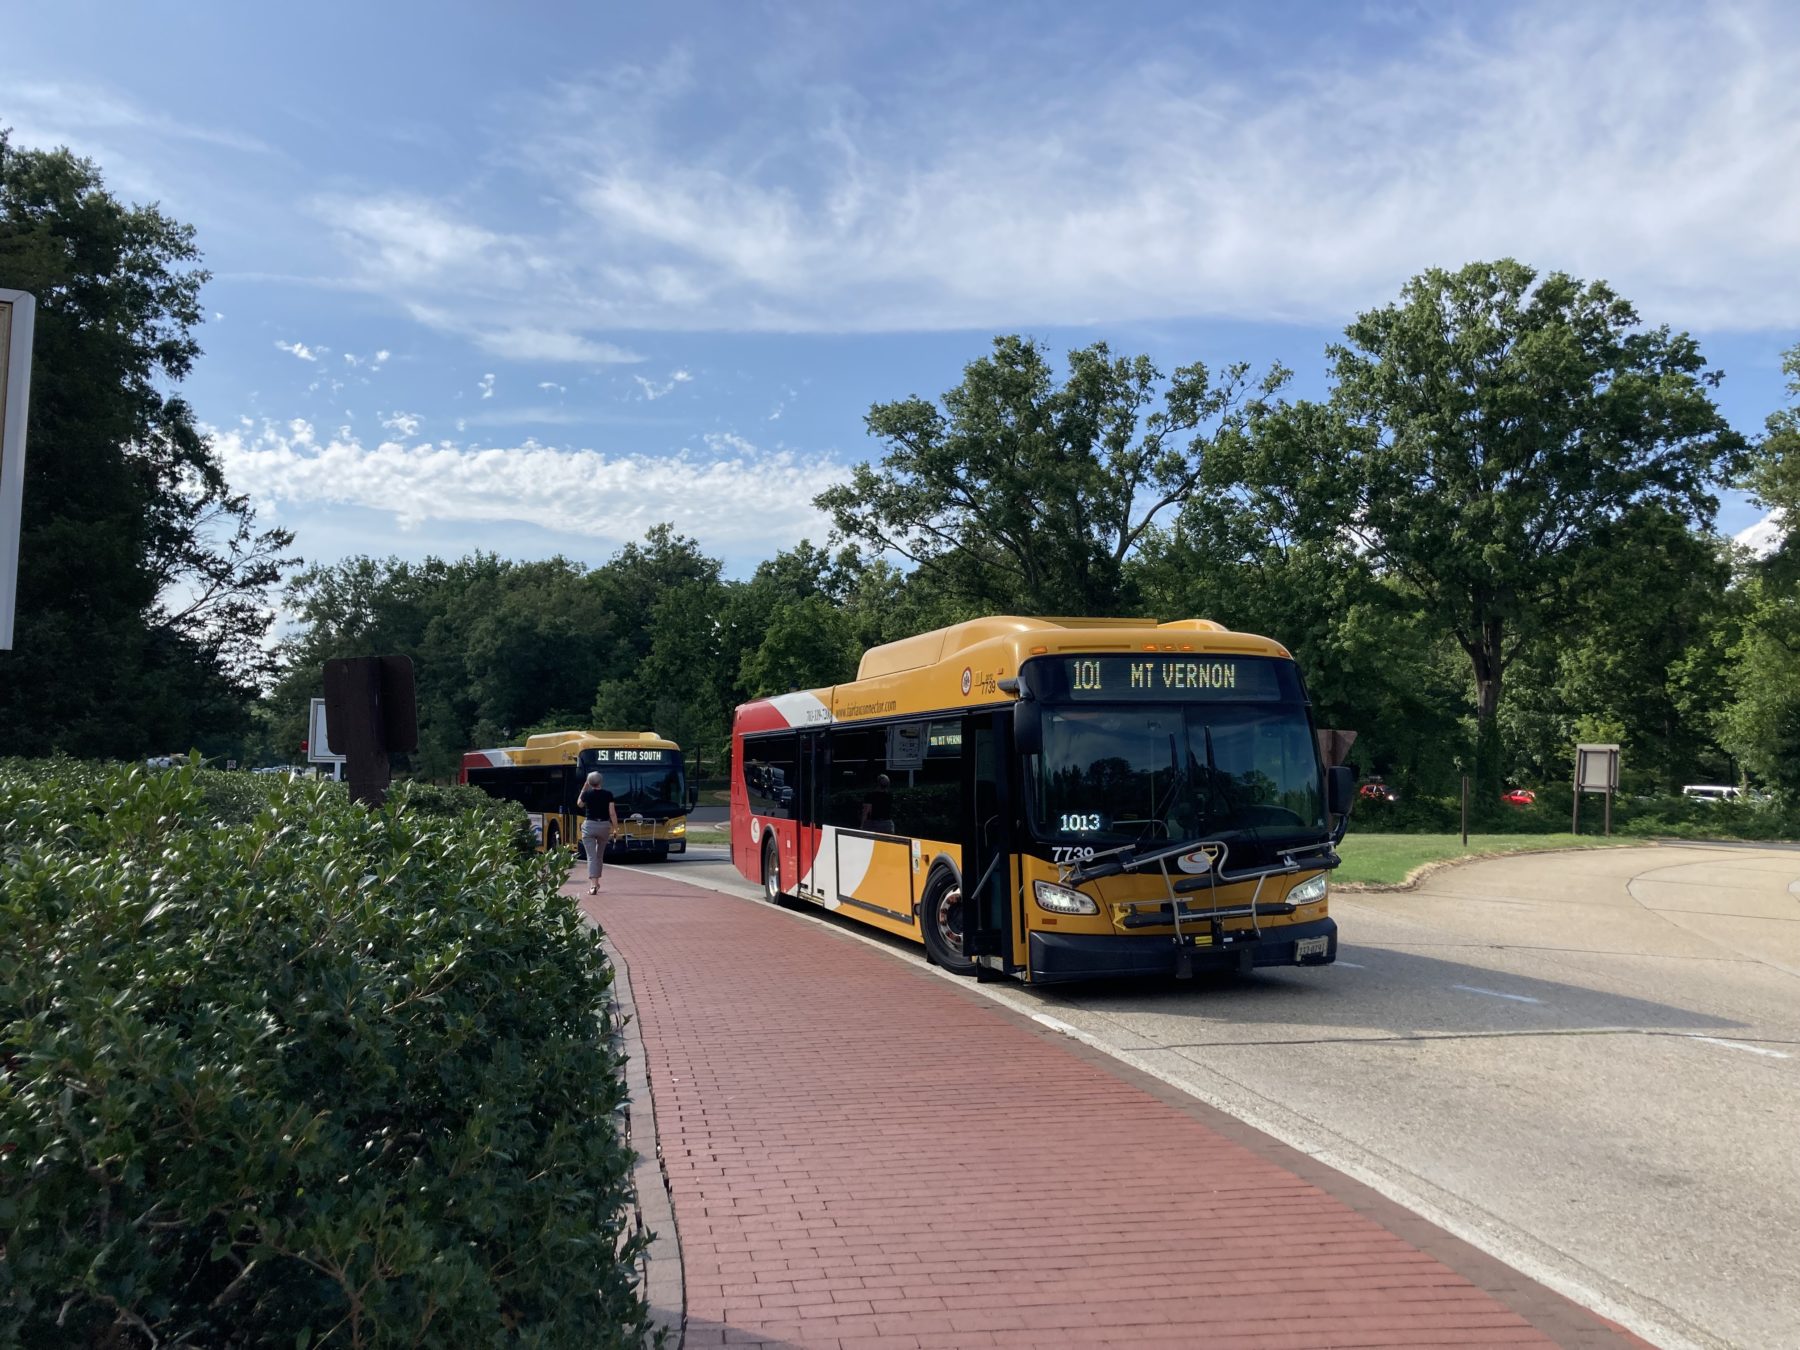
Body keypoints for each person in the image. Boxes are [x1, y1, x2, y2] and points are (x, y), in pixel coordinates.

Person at [578, 771, 620, 895]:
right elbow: (612, 813)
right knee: (599, 856)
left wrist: (584, 788)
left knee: (591, 857)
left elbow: (579, 804)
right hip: (604, 826)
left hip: (589, 826)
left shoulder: (587, 794)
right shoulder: (608, 795)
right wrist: (616, 829)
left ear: (590, 783)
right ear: (601, 782)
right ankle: (597, 883)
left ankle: (593, 885)